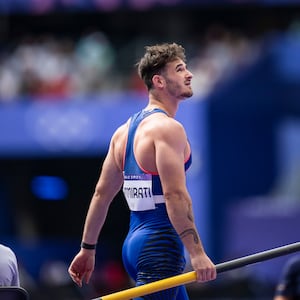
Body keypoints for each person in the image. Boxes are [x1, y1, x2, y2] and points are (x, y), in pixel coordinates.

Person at [68, 42, 217, 299]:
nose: (189, 74)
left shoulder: (122, 133)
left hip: (135, 245)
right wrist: (197, 253)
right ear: (159, 81)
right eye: (180, 69)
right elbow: (175, 197)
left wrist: (87, 248)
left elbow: (101, 196)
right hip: (159, 247)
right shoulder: (168, 129)